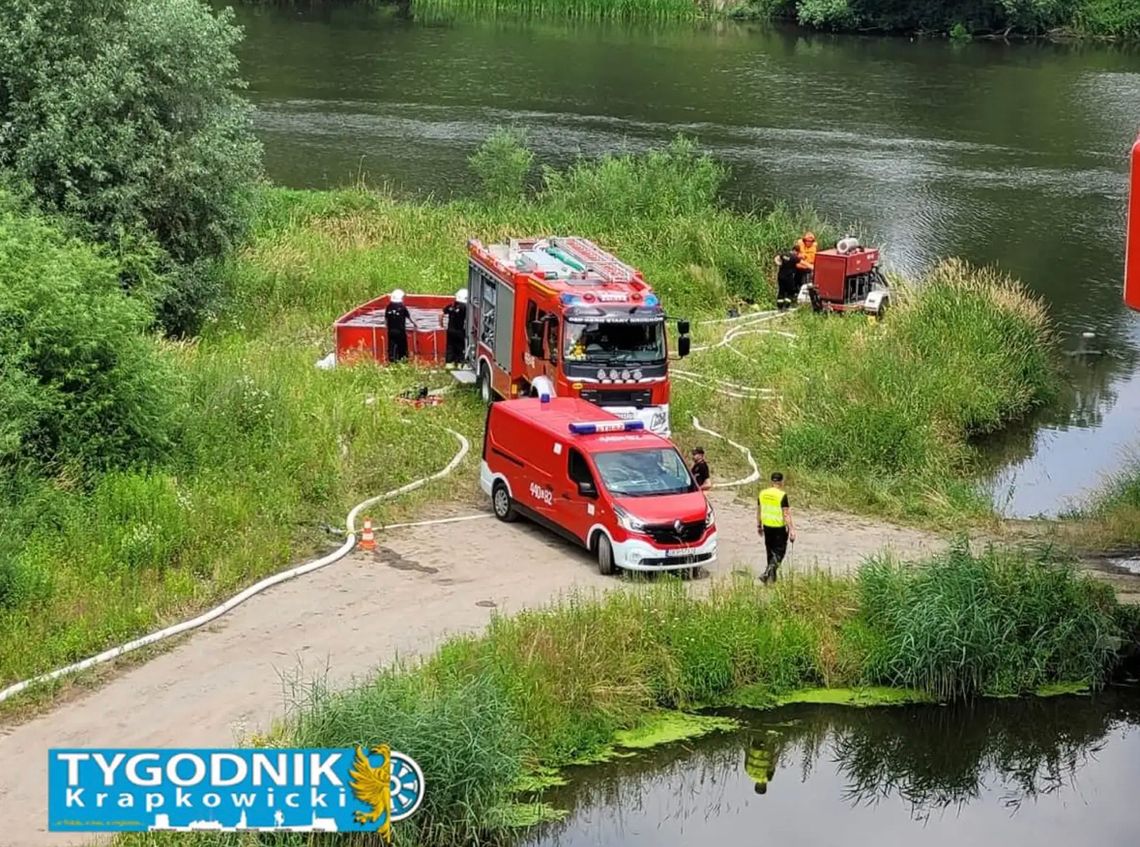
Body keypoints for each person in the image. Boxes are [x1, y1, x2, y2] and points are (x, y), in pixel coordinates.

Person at [757, 471, 795, 583]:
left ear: (771, 481)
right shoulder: (782, 495)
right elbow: (786, 513)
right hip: (779, 527)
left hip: (767, 526)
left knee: (770, 552)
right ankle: (768, 572)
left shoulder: (762, 493)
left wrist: (759, 525)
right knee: (779, 552)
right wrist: (792, 529)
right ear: (781, 482)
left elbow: (759, 511)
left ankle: (771, 579)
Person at [744, 730, 780, 795]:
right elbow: (747, 754)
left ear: (765, 786)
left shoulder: (767, 778)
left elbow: (773, 763)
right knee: (758, 731)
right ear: (755, 785)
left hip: (767, 749)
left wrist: (779, 750)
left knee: (772, 731)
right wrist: (747, 738)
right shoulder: (749, 772)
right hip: (755, 747)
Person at [385, 289, 415, 364]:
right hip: (400, 331)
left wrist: (387, 328)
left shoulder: (388, 307)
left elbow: (386, 319)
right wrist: (416, 325)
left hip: (391, 331)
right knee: (402, 346)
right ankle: (403, 360)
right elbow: (410, 318)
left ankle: (392, 359)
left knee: (392, 345)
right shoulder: (402, 307)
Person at [442, 288, 468, 368]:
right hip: (460, 331)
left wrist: (441, 325)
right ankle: (460, 363)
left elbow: (441, 314)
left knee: (450, 346)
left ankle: (449, 363)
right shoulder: (466, 307)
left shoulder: (451, 306)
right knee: (460, 347)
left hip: (450, 330)